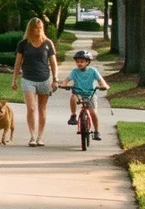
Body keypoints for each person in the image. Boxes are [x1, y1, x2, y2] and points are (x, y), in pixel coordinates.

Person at [12, 18, 59, 146]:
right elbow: (18, 63)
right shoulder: (23, 44)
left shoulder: (47, 43)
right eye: (35, 28)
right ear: (30, 29)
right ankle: (32, 136)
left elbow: (54, 63)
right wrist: (14, 80)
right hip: (28, 79)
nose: (38, 30)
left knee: (42, 109)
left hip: (44, 79)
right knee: (31, 108)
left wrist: (55, 79)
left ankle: (40, 137)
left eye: (40, 28)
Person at [64, 49, 107, 142]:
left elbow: (100, 80)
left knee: (92, 112)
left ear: (87, 62)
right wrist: (64, 84)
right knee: (73, 98)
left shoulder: (93, 71)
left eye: (82, 62)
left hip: (90, 93)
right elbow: (67, 79)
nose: (79, 64)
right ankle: (73, 116)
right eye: (77, 62)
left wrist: (103, 85)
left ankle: (96, 131)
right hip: (78, 92)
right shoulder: (75, 71)